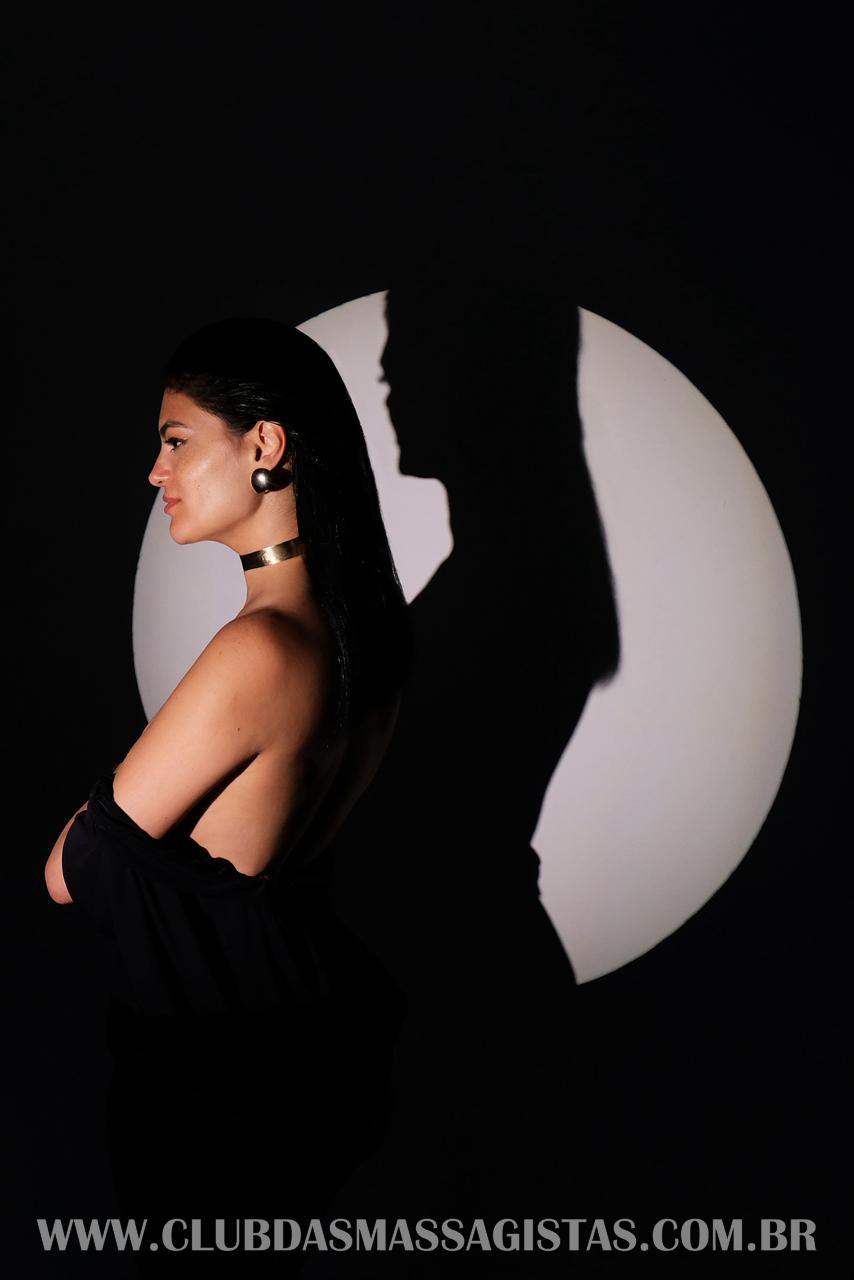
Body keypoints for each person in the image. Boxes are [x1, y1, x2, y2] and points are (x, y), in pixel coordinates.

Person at [43, 317, 414, 1272]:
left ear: (265, 445)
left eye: (176, 441)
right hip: (307, 1072)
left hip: (219, 1098)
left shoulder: (260, 649)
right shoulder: (367, 632)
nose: (155, 472)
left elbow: (68, 871)